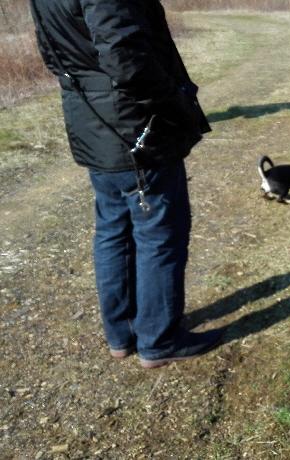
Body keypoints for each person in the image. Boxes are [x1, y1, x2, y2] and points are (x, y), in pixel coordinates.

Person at [29, 0, 222, 369]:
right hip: (134, 126)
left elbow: (52, 52)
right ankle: (159, 340)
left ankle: (123, 334)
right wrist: (176, 105)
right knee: (158, 235)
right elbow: (125, 57)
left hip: (93, 122)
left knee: (113, 230)